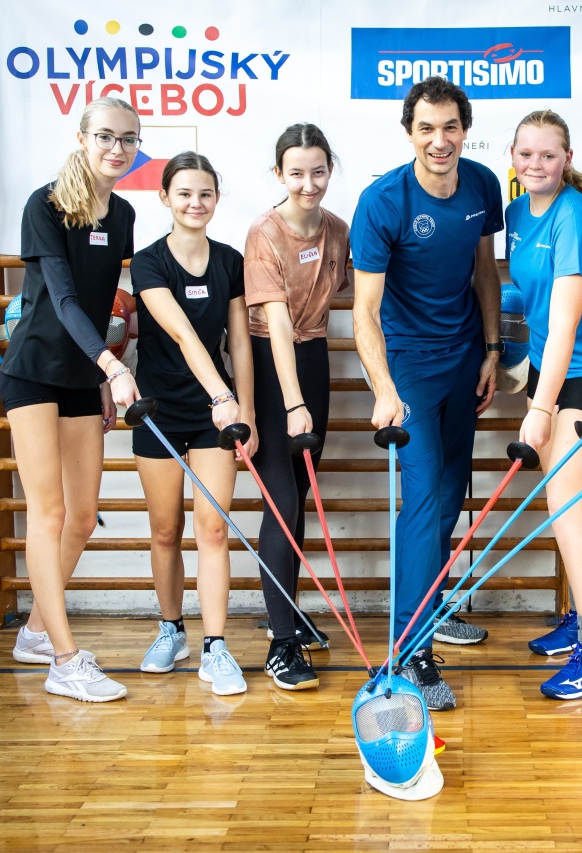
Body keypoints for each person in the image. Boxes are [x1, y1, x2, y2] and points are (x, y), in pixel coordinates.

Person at [351, 76, 503, 711]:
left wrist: (492, 349)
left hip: (465, 359)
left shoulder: (483, 184)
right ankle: (410, 652)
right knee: (421, 502)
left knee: (447, 500)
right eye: (426, 129)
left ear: (465, 130)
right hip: (409, 368)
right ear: (409, 133)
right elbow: (364, 311)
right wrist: (384, 389)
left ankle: (431, 611)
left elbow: (484, 270)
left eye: (450, 128)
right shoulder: (382, 201)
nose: (439, 141)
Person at [4, 97, 140, 702]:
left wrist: (103, 371)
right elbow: (61, 299)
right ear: (83, 138)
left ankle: (36, 631)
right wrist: (111, 365)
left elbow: (103, 302)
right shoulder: (47, 205)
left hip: (84, 376)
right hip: (34, 371)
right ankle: (63, 660)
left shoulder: (126, 213)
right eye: (106, 136)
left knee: (82, 518)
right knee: (49, 513)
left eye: (128, 139)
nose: (117, 148)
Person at [504, 110, 582, 700]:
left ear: (568, 159)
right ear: (512, 157)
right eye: (526, 154)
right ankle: (579, 620)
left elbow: (565, 325)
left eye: (548, 155)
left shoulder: (575, 217)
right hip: (549, 369)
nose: (536, 165)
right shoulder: (515, 213)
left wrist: (540, 407)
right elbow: (528, 301)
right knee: (562, 504)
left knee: (567, 503)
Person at [129, 152, 257, 697]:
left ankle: (215, 646)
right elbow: (181, 333)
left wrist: (245, 411)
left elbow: (240, 343)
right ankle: (171, 630)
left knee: (213, 530)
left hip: (215, 417)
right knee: (165, 530)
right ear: (165, 197)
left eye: (205, 193)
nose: (195, 203)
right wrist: (223, 395)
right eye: (184, 193)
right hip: (158, 410)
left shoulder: (229, 261)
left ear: (217, 199)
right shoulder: (148, 262)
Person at [244, 123, 349, 691]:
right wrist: (292, 403)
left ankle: (287, 612)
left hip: (314, 359)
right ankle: (280, 643)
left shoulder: (337, 229)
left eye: (318, 172)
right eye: (296, 173)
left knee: (299, 494)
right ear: (278, 173)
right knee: (281, 503)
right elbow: (277, 324)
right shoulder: (264, 232)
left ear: (330, 170)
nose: (308, 184)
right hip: (270, 366)